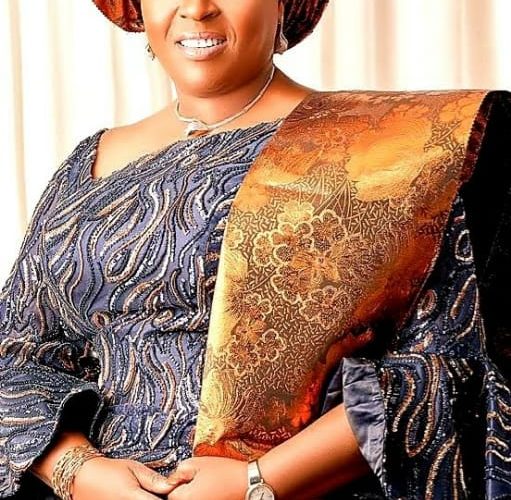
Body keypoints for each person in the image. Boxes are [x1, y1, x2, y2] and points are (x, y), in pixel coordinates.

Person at [1, 0, 510, 499]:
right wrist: (79, 471)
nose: (196, 9)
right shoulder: (86, 166)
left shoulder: (399, 149)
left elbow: (454, 364)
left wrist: (258, 480)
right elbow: (16, 352)